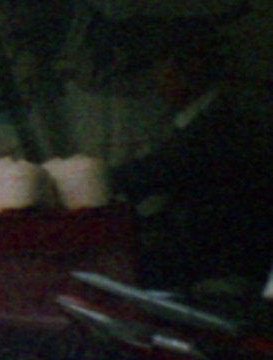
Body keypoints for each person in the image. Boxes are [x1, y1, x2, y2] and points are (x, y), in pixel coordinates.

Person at [108, 20, 273, 296]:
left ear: (190, 66)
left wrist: (93, 178)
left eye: (160, 66)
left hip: (229, 268)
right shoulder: (206, 117)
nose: (155, 79)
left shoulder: (221, 124)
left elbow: (157, 170)